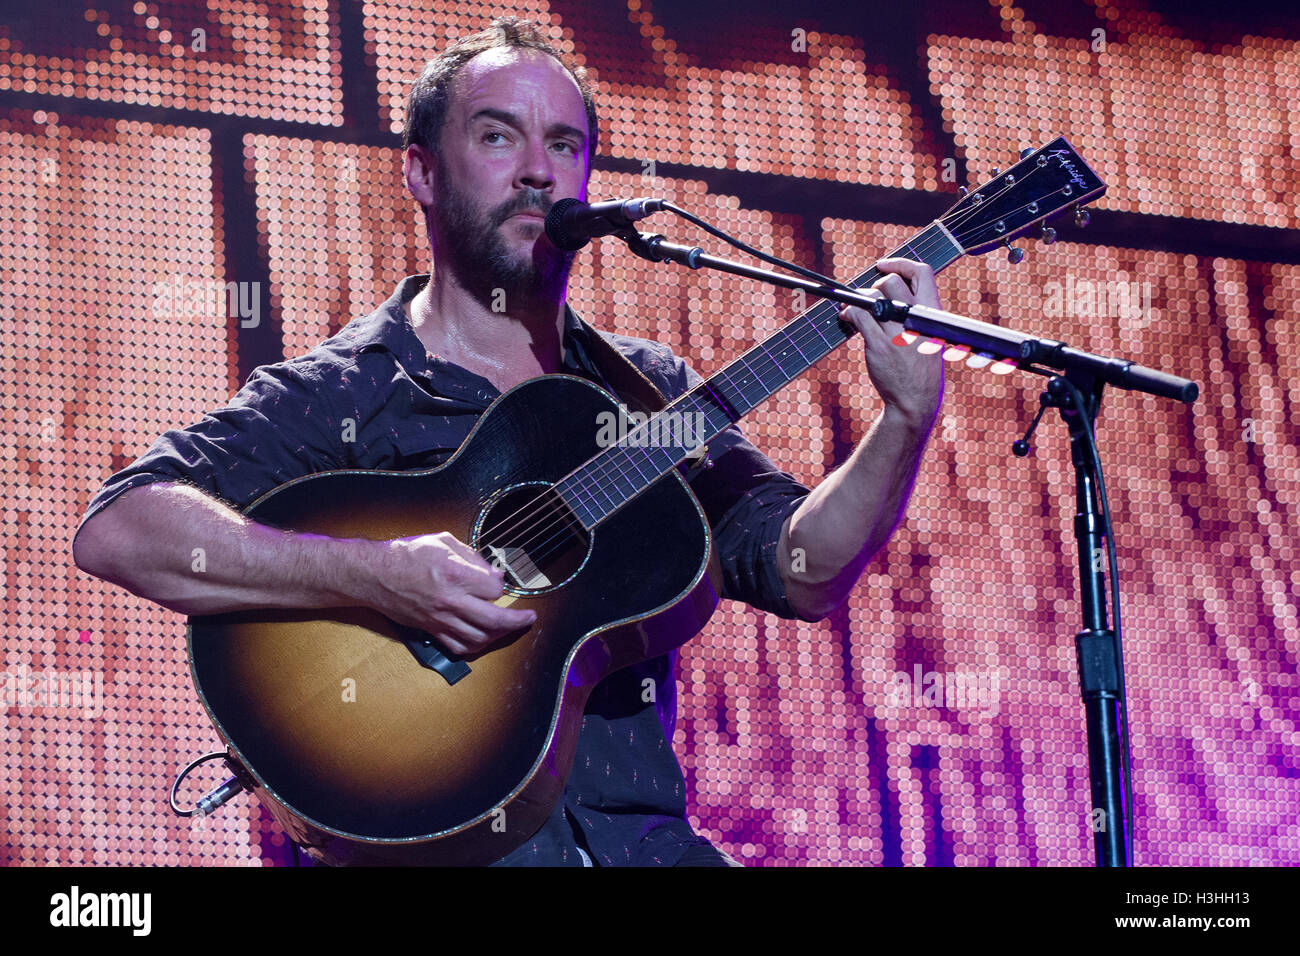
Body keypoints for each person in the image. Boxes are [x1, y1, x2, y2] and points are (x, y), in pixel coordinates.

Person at [71, 17, 944, 866]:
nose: (538, 171)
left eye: (566, 147)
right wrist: (373, 574)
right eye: (498, 137)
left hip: (639, 841)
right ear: (420, 171)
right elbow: (121, 529)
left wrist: (902, 422)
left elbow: (805, 569)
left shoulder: (649, 394)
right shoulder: (346, 387)